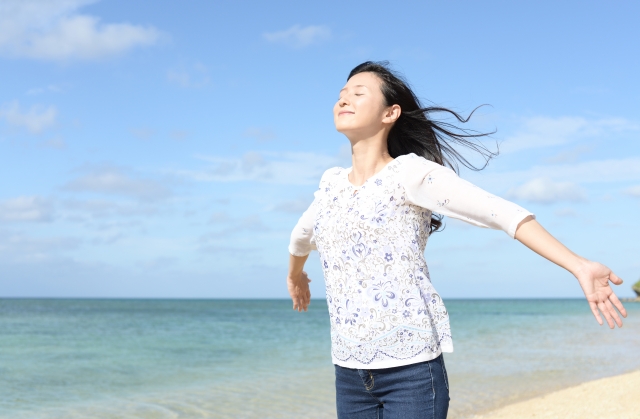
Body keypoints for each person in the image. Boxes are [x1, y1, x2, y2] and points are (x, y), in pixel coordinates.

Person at [285, 61, 627, 419]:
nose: (343, 100)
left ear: (390, 113)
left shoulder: (409, 173)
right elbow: (300, 238)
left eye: (358, 93)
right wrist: (295, 276)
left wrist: (579, 265)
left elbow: (499, 212)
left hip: (410, 373)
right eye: (341, 94)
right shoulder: (331, 187)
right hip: (348, 373)